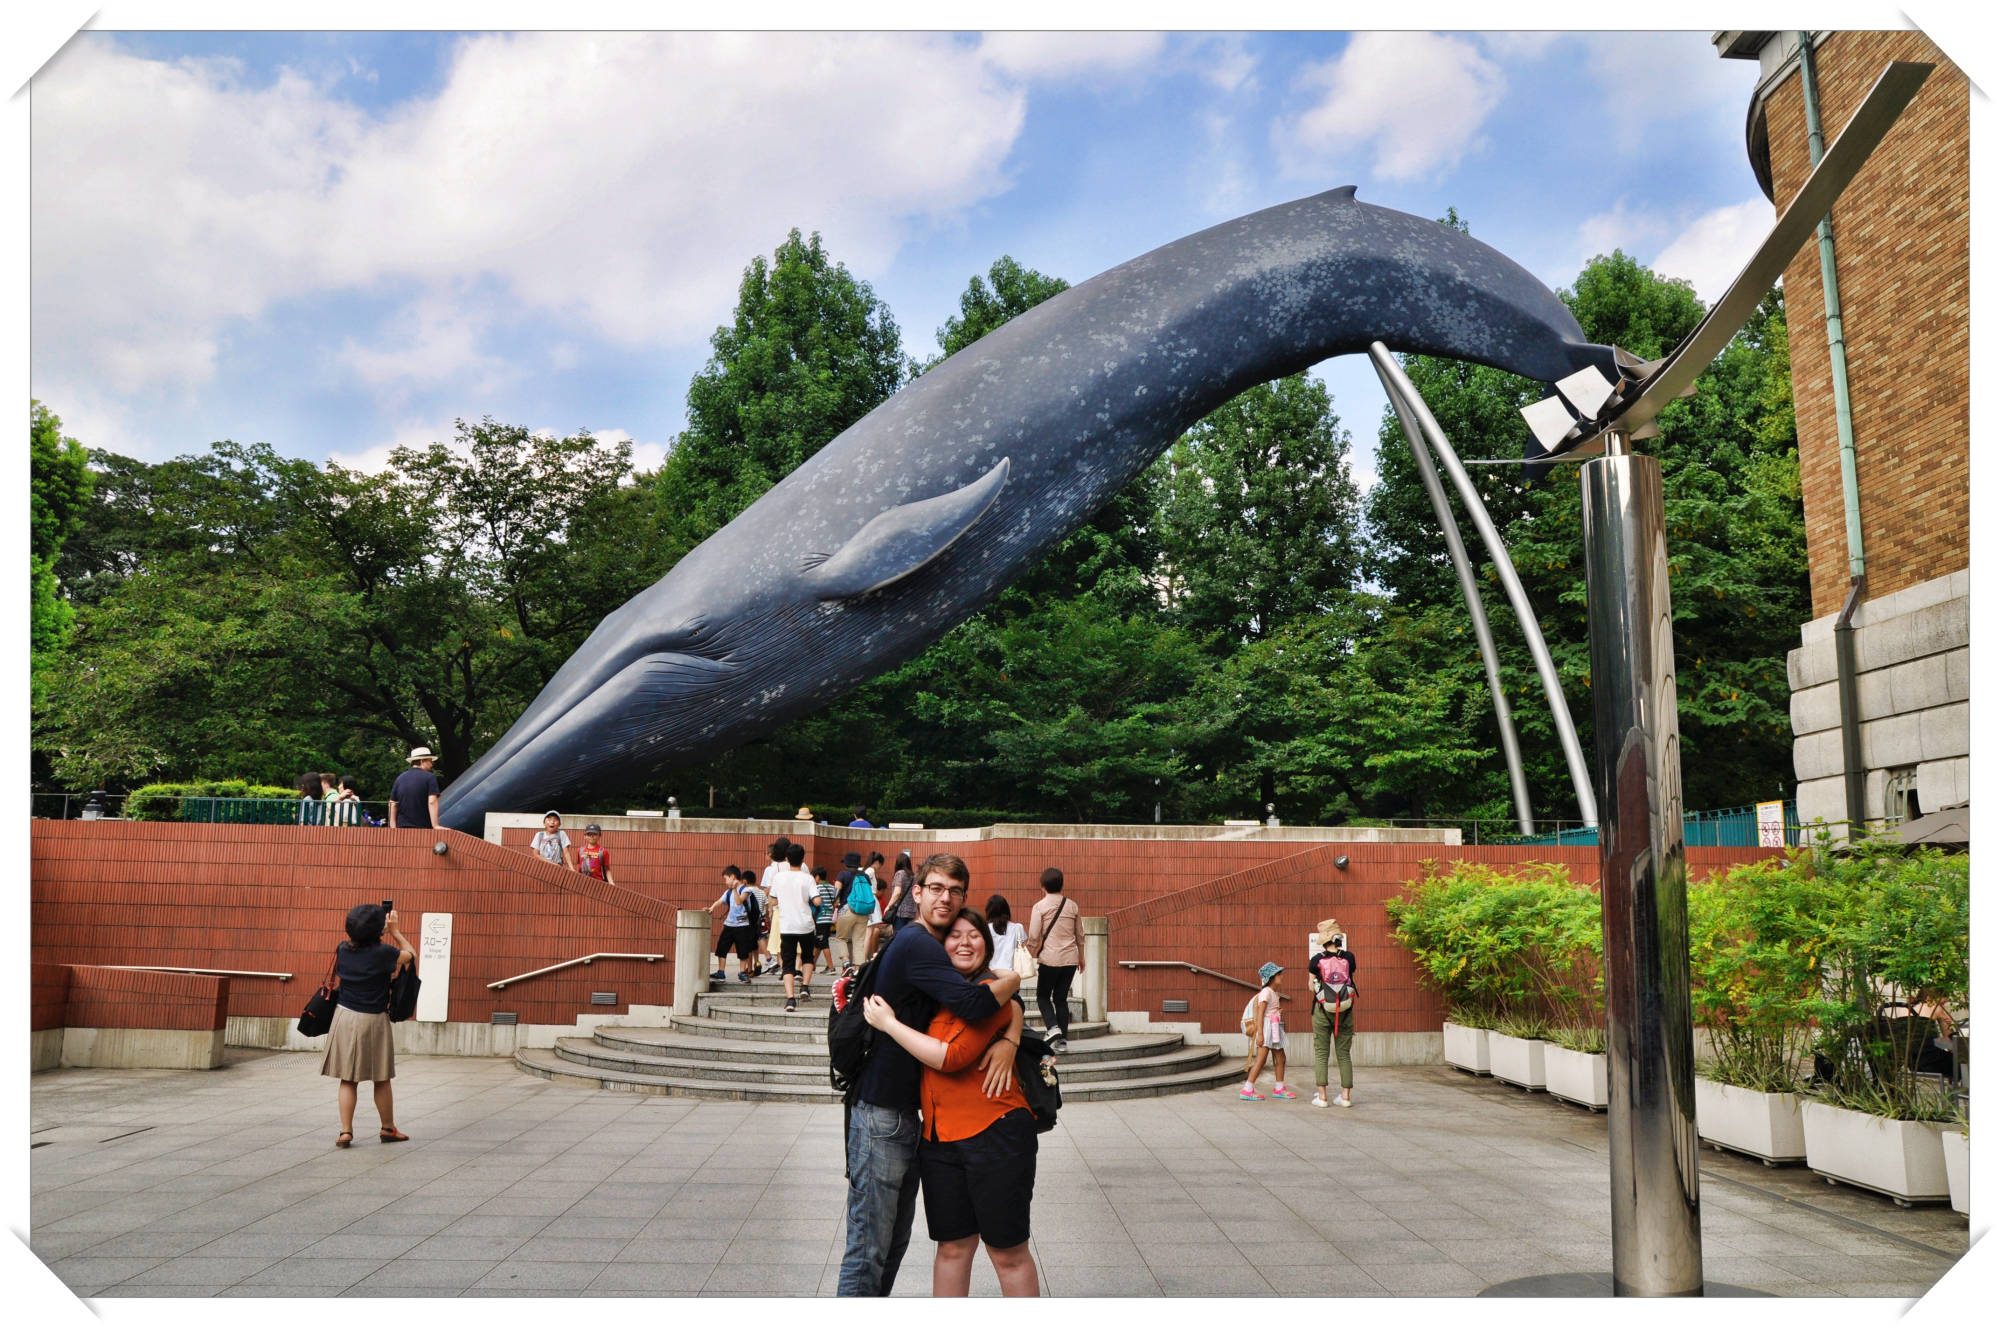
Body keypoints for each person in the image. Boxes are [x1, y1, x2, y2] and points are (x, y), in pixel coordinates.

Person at [837, 851, 1024, 1298]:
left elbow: (981, 999)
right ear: (915, 893)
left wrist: (1012, 1029)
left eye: (956, 891)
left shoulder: (927, 944)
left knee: (890, 1246)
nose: (947, 898)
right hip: (881, 1113)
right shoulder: (918, 943)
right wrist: (1015, 980)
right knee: (869, 1250)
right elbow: (977, 1004)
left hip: (903, 1115)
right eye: (937, 888)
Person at [862, 906, 1042, 1297]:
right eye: (954, 936)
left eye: (973, 935)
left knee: (1007, 1252)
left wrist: (889, 1024)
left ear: (987, 943)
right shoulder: (935, 992)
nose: (964, 942)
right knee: (952, 1248)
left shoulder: (991, 994)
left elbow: (951, 1056)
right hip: (940, 1139)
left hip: (997, 1135)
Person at [321, 903, 415, 1147]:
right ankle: (387, 1128)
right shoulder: (384, 953)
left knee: (348, 1079)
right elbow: (410, 955)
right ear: (378, 930)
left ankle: (345, 1132)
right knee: (381, 1078)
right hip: (373, 1019)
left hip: (344, 1017)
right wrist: (395, 932)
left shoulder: (342, 949)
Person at [1024, 867, 1084, 1052]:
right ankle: (1063, 1041)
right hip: (1070, 960)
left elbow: (1034, 937)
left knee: (1042, 996)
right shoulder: (1072, 905)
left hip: (1050, 959)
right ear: (1061, 884)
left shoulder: (1039, 907)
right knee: (1061, 999)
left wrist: (1025, 950)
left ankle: (1053, 1027)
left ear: (1042, 886)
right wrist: (1082, 958)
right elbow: (1080, 935)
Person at [1308, 918, 1359, 1108]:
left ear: (1324, 939)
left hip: (1322, 1010)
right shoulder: (1349, 957)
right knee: (1344, 1054)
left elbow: (1310, 986)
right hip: (1345, 1009)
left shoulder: (1316, 961)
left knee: (1321, 1053)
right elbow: (1349, 978)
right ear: (1338, 938)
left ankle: (1322, 1097)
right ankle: (1345, 1097)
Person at [772, 841, 820, 1011]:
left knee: (788, 962)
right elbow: (817, 900)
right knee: (807, 957)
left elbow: (773, 898)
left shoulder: (778, 878)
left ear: (787, 859)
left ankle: (790, 999)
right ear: (803, 859)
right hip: (806, 924)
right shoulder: (808, 878)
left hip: (787, 925)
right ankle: (805, 987)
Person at [1242, 961, 1295, 1100]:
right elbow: (1260, 1013)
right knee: (1261, 1059)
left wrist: (1276, 1012)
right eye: (1279, 974)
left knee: (1281, 1058)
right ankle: (1247, 1089)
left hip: (1273, 1027)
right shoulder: (1266, 992)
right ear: (1271, 977)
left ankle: (1279, 1088)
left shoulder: (1273, 992)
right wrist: (1260, 1034)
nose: (1281, 976)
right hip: (1266, 1028)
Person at [707, 866, 759, 984]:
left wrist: (735, 889)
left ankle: (742, 973)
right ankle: (721, 972)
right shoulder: (728, 892)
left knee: (743, 951)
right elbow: (720, 901)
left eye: (726, 879)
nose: (726, 882)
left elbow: (739, 902)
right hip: (729, 925)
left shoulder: (746, 890)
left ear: (732, 877)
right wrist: (711, 908)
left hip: (743, 925)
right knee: (721, 949)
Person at [832, 850, 873, 969]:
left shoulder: (843, 874)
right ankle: (857, 970)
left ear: (846, 863)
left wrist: (835, 903)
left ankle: (845, 961)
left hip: (847, 909)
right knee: (859, 941)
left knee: (841, 937)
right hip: (863, 911)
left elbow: (837, 890)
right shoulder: (864, 876)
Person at [756, 838, 790, 975]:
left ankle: (777, 964)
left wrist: (768, 908)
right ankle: (790, 968)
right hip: (794, 909)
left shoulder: (772, 869)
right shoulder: (796, 866)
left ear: (772, 853)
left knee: (775, 939)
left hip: (777, 908)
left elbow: (768, 890)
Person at [388, 746, 441, 830]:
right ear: (422, 761)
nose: (432, 764)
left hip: (402, 828)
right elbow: (432, 802)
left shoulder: (400, 778)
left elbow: (393, 804)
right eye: (430, 761)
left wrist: (393, 827)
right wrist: (435, 825)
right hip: (423, 828)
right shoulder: (430, 777)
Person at [985, 894, 1028, 973]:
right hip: (1011, 973)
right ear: (1006, 910)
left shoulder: (985, 928)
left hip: (990, 972)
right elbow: (1023, 950)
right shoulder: (1017, 928)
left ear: (989, 910)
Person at [883, 850, 919, 937]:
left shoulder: (900, 873)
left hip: (901, 912)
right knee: (909, 936)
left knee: (898, 936)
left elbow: (897, 893)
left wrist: (888, 906)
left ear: (898, 863)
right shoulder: (913, 876)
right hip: (912, 912)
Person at [812, 866, 840, 969]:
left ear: (818, 877)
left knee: (823, 943)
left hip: (820, 919)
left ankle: (831, 967)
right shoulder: (832, 887)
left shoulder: (817, 888)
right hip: (829, 919)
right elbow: (836, 902)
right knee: (818, 942)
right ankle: (812, 964)